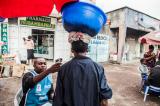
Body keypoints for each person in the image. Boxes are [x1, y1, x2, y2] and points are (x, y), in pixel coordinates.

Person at [53, 32, 112, 106]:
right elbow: (104, 92)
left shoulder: (63, 68)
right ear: (87, 50)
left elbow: (59, 95)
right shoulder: (98, 67)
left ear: (72, 50)